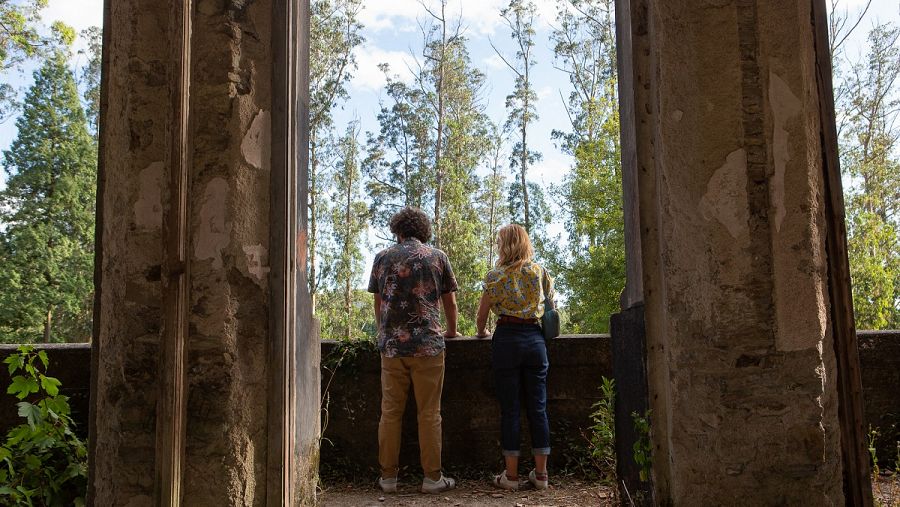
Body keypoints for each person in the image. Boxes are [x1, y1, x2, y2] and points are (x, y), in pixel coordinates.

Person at [368, 207, 460, 494]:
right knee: (429, 413)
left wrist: (385, 333)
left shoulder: (383, 258)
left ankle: (389, 478)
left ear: (398, 230)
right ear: (423, 230)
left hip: (392, 348)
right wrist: (452, 331)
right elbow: (450, 304)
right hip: (429, 348)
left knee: (390, 412)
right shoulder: (437, 257)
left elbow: (380, 303)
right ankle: (432, 478)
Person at [476, 224, 553, 492]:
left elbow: (481, 317)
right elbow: (551, 306)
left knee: (510, 409)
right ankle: (541, 475)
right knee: (538, 407)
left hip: (507, 339)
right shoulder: (539, 271)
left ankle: (510, 477)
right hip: (535, 340)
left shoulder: (494, 276)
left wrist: (481, 332)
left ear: (504, 245)